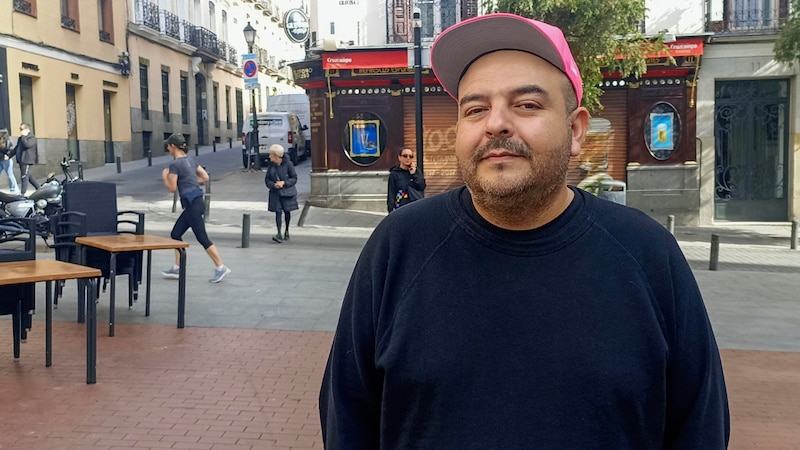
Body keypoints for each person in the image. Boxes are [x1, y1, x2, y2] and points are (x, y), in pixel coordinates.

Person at [319, 13, 729, 449]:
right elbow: (347, 417)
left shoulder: (647, 254)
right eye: (475, 109)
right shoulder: (397, 247)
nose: (496, 123)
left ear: (575, 130)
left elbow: (699, 427)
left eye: (527, 105)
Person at [160, 133, 231, 283]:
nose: (167, 148)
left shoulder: (174, 165)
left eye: (168, 145)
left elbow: (172, 188)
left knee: (202, 237)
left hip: (192, 205)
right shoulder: (191, 160)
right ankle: (177, 268)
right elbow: (205, 177)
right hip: (197, 203)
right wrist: (191, 182)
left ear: (173, 147)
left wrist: (165, 176)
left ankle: (221, 267)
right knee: (175, 233)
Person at [264, 144, 298, 243]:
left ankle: (287, 230)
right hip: (276, 193)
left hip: (287, 192)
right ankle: (279, 233)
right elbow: (267, 179)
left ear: (276, 155)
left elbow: (294, 178)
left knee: (287, 211)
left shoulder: (288, 164)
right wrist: (273, 185)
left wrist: (284, 183)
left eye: (271, 154)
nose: (269, 156)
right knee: (278, 212)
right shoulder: (271, 166)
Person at [387, 147, 426, 212]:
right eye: (405, 156)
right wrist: (390, 209)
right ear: (399, 158)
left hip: (416, 205)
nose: (408, 158)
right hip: (401, 207)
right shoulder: (395, 173)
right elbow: (391, 192)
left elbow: (422, 186)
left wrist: (413, 174)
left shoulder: (416, 171)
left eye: (411, 156)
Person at [13, 123, 38, 196]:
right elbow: (16, 148)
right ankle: (39, 188)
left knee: (24, 176)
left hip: (27, 160)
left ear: (27, 129)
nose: (21, 131)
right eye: (20, 129)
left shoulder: (32, 138)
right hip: (21, 160)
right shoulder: (21, 138)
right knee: (28, 176)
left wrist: (23, 136)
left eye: (22, 129)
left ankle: (22, 193)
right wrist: (9, 155)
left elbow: (27, 145)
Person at [0, 129, 19, 194]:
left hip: (6, 160)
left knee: (10, 175)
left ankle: (13, 189)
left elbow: (9, 150)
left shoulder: (7, 141)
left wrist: (7, 155)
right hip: (0, 159)